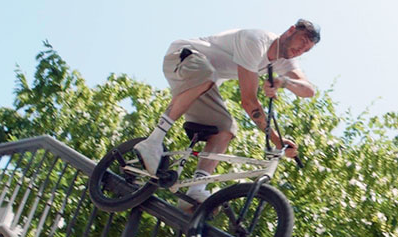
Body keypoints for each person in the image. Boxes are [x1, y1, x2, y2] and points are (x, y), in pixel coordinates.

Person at [133, 19, 321, 212]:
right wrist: (276, 139)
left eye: (307, 50)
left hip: (205, 83)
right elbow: (249, 101)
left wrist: (284, 82)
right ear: (291, 31)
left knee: (225, 129)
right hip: (183, 57)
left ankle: (195, 191)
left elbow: (309, 91)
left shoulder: (285, 61)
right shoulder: (256, 41)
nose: (301, 50)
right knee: (207, 74)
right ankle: (152, 142)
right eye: (302, 42)